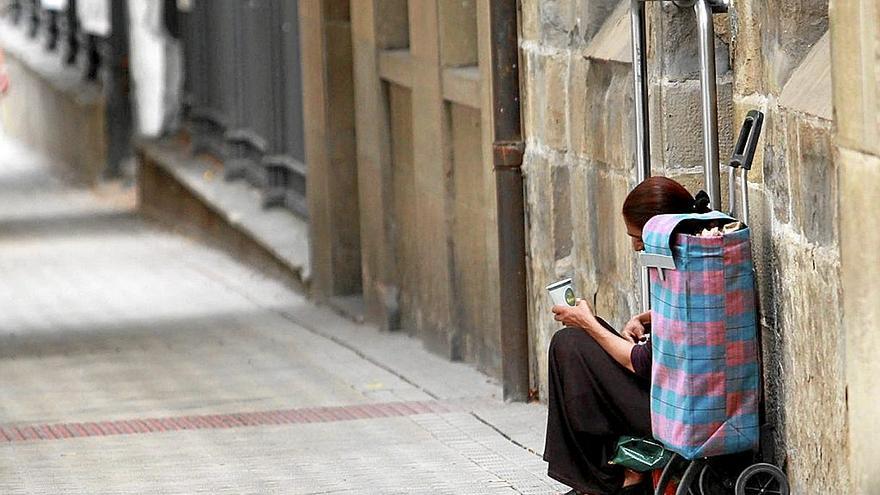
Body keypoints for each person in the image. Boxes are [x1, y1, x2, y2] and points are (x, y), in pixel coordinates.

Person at [543, 176, 711, 495]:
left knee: (571, 345)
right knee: (577, 345)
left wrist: (588, 322)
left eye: (638, 237)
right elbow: (686, 321)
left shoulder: (689, 269)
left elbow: (642, 363)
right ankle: (619, 472)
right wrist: (648, 318)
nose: (635, 246)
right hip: (676, 394)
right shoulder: (699, 258)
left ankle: (606, 480)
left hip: (676, 409)